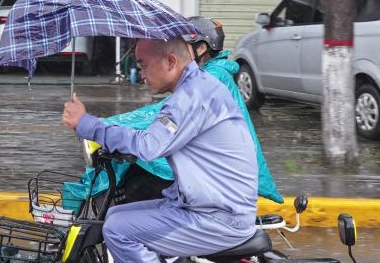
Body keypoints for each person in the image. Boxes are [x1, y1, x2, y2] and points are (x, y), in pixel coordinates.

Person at [63, 38, 258, 262]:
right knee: (115, 215)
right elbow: (157, 132)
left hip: (219, 218)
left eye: (143, 64)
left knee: (118, 230)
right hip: (207, 206)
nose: (141, 73)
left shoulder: (192, 96)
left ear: (171, 61)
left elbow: (149, 145)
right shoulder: (196, 86)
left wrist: (89, 125)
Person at [75, 17, 282, 205]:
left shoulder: (212, 78)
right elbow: (165, 114)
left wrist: (107, 125)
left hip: (217, 181)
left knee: (140, 183)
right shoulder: (200, 77)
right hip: (208, 168)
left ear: (200, 49)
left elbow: (157, 116)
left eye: (183, 47)